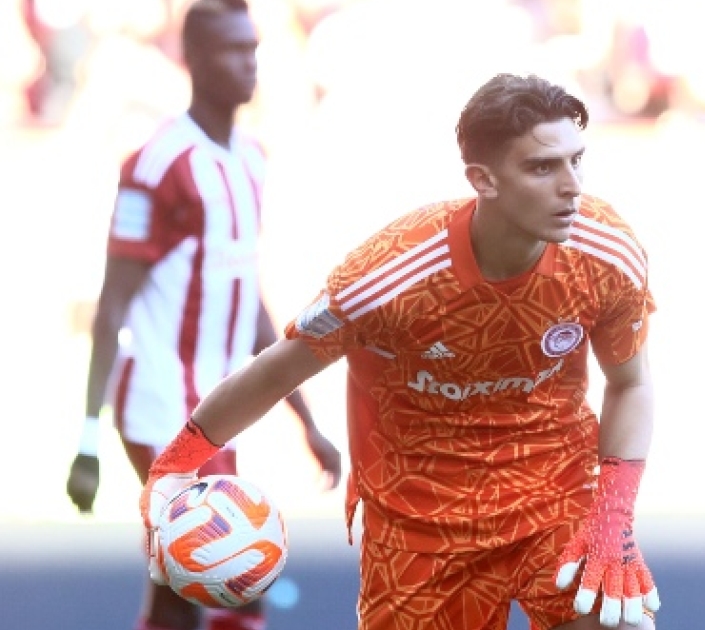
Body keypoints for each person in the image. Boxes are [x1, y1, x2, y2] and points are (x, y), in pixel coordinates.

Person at [139, 72, 662, 629]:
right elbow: (277, 370)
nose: (572, 186)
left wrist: (613, 515)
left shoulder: (606, 252)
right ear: (482, 179)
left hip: (553, 497)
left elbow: (631, 383)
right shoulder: (386, 278)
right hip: (419, 523)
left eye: (576, 160)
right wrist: (176, 463)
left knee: (620, 624)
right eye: (542, 167)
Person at [63, 2, 343, 630]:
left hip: (218, 413)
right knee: (227, 574)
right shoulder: (158, 163)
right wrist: (86, 439)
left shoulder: (251, 158)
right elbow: (112, 304)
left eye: (253, 48)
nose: (249, 64)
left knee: (194, 590)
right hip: (160, 406)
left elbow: (245, 298)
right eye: (232, 50)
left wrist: (306, 421)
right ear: (193, 59)